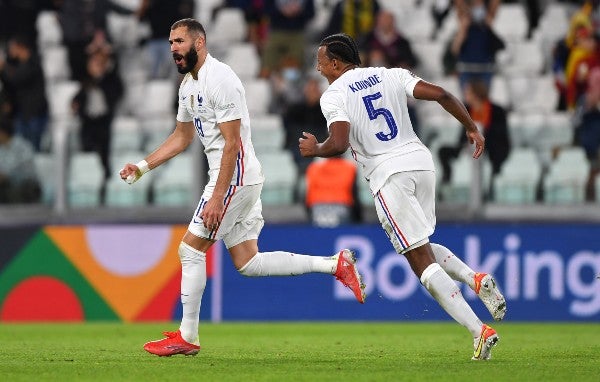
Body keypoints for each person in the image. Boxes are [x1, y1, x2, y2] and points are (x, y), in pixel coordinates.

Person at [119, 18, 366, 357]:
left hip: (234, 176)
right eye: (171, 42)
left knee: (190, 251)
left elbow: (232, 144)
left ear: (199, 42)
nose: (173, 48)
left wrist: (218, 197)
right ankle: (335, 264)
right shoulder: (188, 87)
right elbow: (182, 136)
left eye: (179, 41)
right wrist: (143, 166)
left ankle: (187, 336)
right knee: (249, 262)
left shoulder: (220, 79)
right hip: (238, 178)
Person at [299, 33, 507, 360]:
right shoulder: (389, 73)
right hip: (421, 163)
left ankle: (478, 330)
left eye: (322, 61)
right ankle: (474, 278)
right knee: (420, 245)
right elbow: (441, 93)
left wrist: (316, 149)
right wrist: (470, 126)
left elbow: (338, 142)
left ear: (336, 64)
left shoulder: (334, 94)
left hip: (388, 173)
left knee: (419, 261)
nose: (318, 66)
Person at [438, 79, 510, 184]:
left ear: (476, 94)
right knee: (443, 151)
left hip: (491, 146)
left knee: (494, 154)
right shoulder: (465, 109)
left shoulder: (497, 110)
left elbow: (501, 134)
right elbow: (463, 133)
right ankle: (447, 177)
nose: (465, 94)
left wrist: (483, 132)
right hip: (469, 144)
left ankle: (492, 182)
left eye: (468, 92)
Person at [72, 43, 124, 184]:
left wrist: (109, 54)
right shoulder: (85, 82)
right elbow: (78, 97)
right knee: (87, 150)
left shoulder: (110, 80)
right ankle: (88, 180)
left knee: (104, 151)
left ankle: (106, 179)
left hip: (103, 121)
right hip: (88, 122)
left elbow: (117, 90)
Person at [0, 35, 49, 152]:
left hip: (34, 114)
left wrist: (3, 68)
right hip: (21, 113)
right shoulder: (17, 64)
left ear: (21, 47)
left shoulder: (33, 63)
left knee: (32, 149)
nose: (10, 51)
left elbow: (17, 78)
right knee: (19, 149)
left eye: (13, 47)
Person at [305, 155, 362, 227]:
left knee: (319, 235)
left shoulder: (314, 167)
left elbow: (308, 193)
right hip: (342, 207)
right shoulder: (349, 167)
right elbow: (354, 193)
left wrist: (309, 212)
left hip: (317, 208)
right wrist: (359, 218)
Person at [0, 116, 41, 204]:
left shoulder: (22, 146)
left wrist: (6, 175)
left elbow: (26, 171)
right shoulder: (1, 149)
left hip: (26, 185)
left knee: (14, 188)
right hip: (7, 185)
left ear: (2, 133)